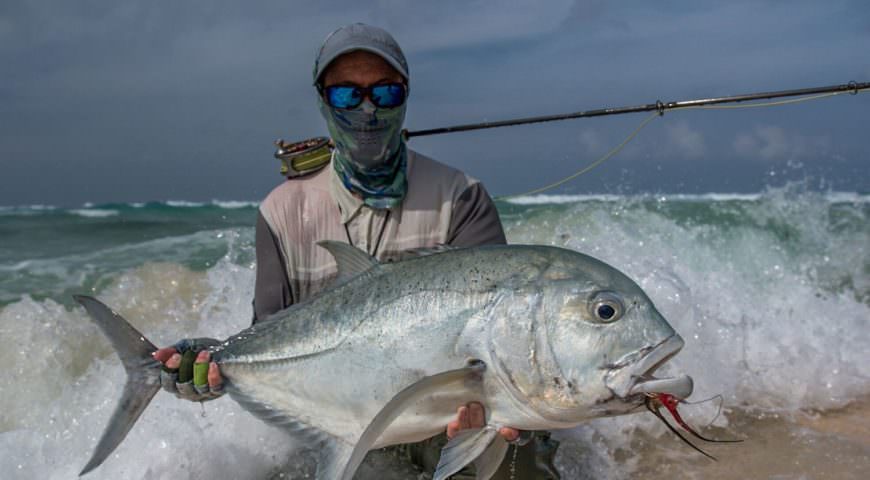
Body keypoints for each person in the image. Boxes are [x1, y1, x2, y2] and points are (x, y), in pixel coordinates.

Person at [151, 23, 560, 479]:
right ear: (323, 100)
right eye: (347, 95)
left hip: (439, 424)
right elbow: (268, 337)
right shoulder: (282, 212)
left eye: (384, 93)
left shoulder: (460, 196)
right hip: (333, 422)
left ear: (404, 98)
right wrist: (214, 360)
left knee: (517, 463)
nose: (367, 110)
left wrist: (510, 410)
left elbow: (492, 337)